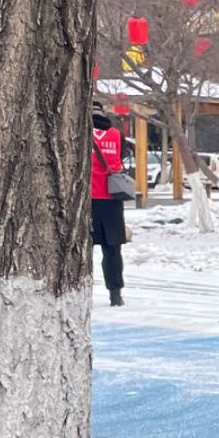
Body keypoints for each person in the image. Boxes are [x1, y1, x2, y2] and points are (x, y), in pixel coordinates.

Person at [91, 111, 126, 306]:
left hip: (87, 199)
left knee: (81, 250)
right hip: (113, 198)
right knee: (112, 249)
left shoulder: (79, 131)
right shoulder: (117, 135)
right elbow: (122, 158)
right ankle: (115, 294)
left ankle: (81, 290)